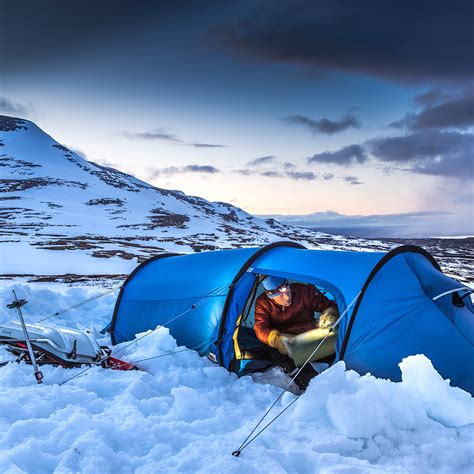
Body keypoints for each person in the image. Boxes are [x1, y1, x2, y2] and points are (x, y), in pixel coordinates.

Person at [254, 276, 339, 390]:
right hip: (286, 343)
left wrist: (329, 314)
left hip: (309, 336)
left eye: (287, 290)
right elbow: (260, 327)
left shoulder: (303, 291)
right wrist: (276, 339)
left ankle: (342, 373)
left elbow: (328, 304)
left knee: (336, 339)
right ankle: (311, 384)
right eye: (281, 295)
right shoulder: (263, 303)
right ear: (270, 296)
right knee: (275, 352)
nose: (287, 296)